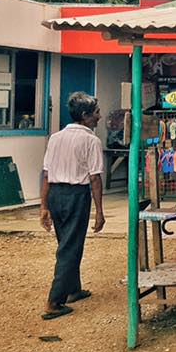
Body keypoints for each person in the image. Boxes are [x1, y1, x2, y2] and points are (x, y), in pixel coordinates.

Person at [39, 92, 106, 320]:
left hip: (56, 194)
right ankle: (54, 301)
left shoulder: (55, 137)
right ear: (85, 115)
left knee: (66, 242)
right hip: (76, 195)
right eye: (96, 112)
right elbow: (95, 178)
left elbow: (46, 174)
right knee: (70, 247)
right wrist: (99, 211)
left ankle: (73, 289)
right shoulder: (91, 141)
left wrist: (44, 205)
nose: (99, 116)